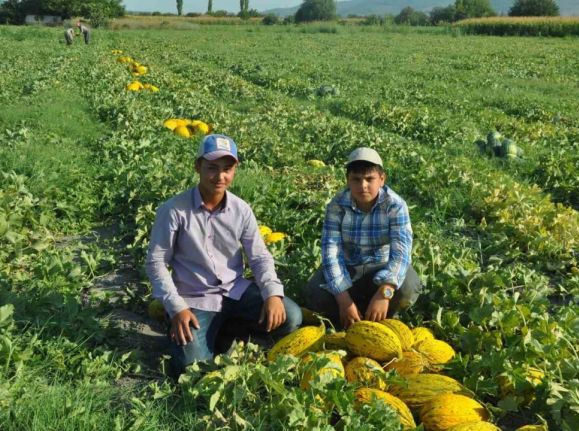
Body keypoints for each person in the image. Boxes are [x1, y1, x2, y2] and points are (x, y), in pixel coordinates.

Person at [145, 134, 302, 375]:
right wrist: (176, 307)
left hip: (235, 291)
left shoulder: (240, 209)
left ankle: (226, 328)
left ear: (235, 169)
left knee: (290, 316)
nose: (220, 177)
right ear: (198, 166)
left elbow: (259, 257)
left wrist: (272, 293)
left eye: (227, 169)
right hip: (195, 299)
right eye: (212, 168)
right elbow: (156, 263)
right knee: (192, 368)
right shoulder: (174, 210)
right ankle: (196, 331)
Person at [303, 147, 422, 329]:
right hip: (350, 267)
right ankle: (350, 313)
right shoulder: (337, 206)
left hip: (382, 266)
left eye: (369, 179)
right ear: (347, 181)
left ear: (382, 180)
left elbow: (401, 254)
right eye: (356, 180)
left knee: (408, 286)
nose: (363, 185)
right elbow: (331, 254)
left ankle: (381, 315)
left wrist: (385, 292)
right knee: (315, 291)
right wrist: (343, 299)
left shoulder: (395, 206)